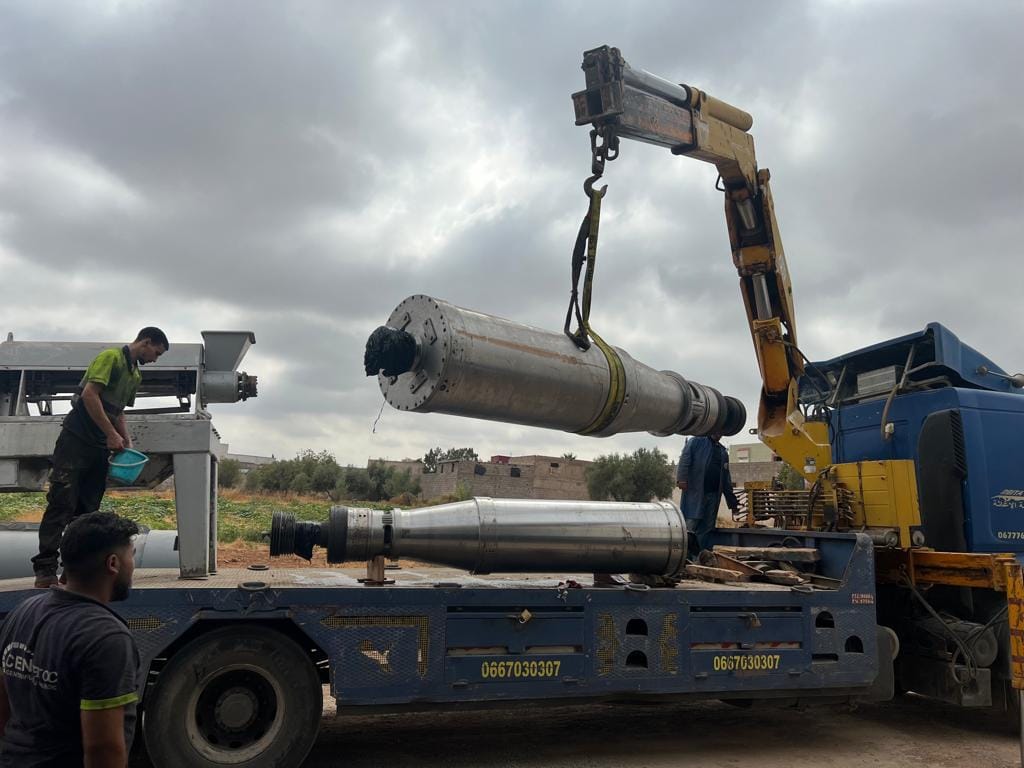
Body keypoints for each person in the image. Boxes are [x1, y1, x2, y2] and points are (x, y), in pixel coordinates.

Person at [0, 512, 140, 767]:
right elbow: (103, 750)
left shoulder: (24, 611)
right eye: (131, 555)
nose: (133, 565)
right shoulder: (106, 638)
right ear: (113, 563)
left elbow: (3, 701)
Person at [31, 327, 168, 588]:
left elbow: (118, 412)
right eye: (156, 353)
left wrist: (125, 439)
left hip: (97, 448)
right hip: (75, 440)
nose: (155, 359)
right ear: (146, 342)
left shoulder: (134, 374)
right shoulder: (111, 358)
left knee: (88, 511)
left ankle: (73, 570)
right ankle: (45, 569)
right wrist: (110, 434)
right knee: (62, 503)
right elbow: (89, 395)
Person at [676, 434, 739, 553]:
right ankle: (683, 557)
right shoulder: (696, 442)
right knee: (690, 525)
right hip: (696, 494)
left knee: (707, 528)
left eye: (722, 430)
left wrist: (733, 503)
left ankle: (699, 556)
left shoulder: (722, 452)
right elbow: (685, 458)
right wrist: (681, 479)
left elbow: (726, 480)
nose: (719, 432)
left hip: (713, 496)